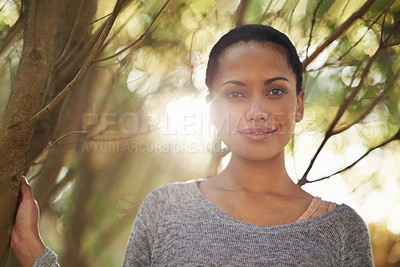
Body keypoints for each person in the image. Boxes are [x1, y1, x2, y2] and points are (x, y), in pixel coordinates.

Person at [11, 24, 374, 266]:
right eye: (235, 94)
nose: (257, 111)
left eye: (275, 90)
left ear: (299, 104)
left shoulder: (342, 230)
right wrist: (32, 250)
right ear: (212, 110)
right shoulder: (165, 209)